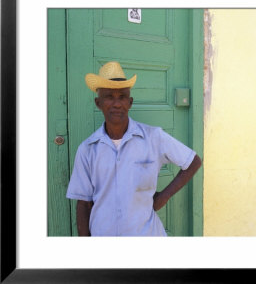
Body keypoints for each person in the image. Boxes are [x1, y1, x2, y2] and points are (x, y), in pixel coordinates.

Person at [66, 61, 202, 236]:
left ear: (130, 102)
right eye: (109, 96)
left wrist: (164, 196)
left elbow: (193, 161)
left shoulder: (154, 137)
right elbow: (83, 204)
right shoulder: (87, 149)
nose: (116, 104)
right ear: (98, 103)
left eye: (122, 96)